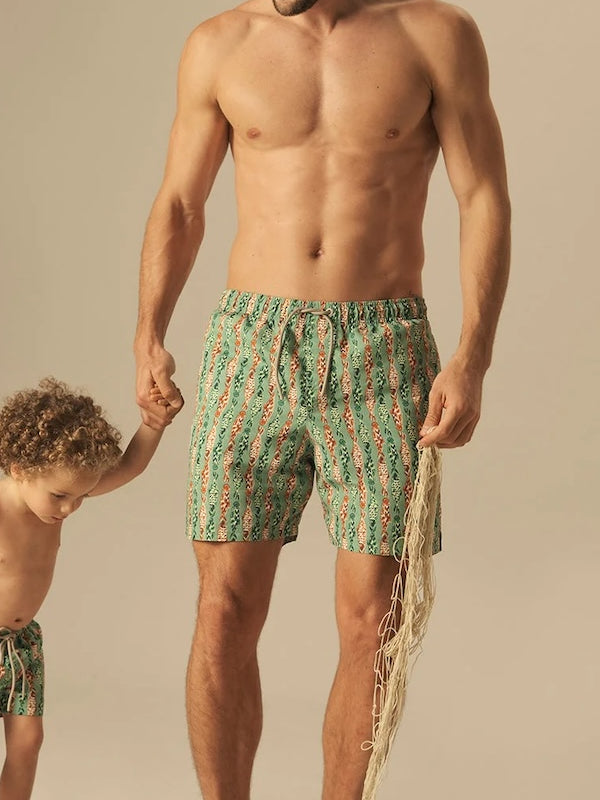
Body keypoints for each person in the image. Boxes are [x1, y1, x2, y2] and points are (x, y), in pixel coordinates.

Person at [133, 1, 510, 798]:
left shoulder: (433, 35)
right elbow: (180, 202)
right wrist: (149, 334)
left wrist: (473, 357)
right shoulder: (220, 45)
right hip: (250, 344)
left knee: (374, 621)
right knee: (224, 608)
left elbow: (482, 197)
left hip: (384, 347)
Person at [0, 377, 178, 800]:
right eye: (61, 496)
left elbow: (129, 466)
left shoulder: (62, 486)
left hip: (20, 644)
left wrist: (154, 423)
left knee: (28, 744)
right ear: (19, 470)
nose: (70, 509)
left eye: (81, 497)